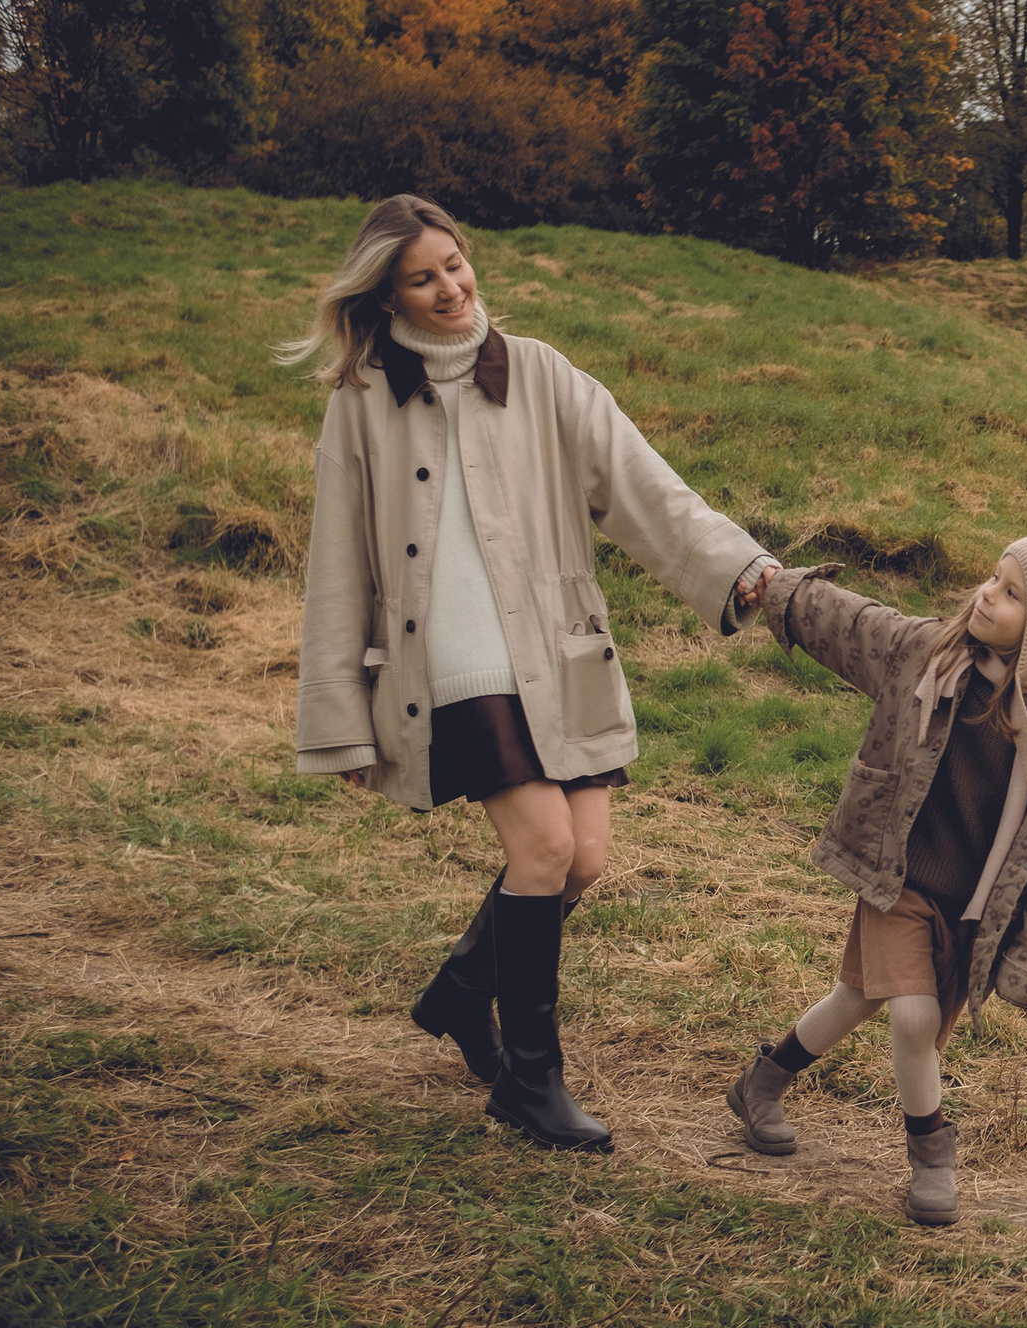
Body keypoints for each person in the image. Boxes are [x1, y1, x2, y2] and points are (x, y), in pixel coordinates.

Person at [281, 195, 779, 1152]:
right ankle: (528, 1081)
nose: (450, 287)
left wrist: (740, 567)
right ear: (386, 292)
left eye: (455, 265)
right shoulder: (360, 401)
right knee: (545, 851)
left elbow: (645, 489)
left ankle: (466, 994)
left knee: (580, 860)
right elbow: (336, 563)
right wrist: (337, 713)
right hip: (451, 654)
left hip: (555, 649)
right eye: (423, 277)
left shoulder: (540, 373)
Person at [729, 537, 1027, 1224]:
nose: (986, 594)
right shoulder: (931, 653)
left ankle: (763, 1080)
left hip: (972, 907)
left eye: (1011, 593)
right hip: (900, 872)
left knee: (856, 997)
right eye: (993, 577)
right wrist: (779, 588)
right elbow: (852, 623)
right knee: (914, 1017)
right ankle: (931, 1156)